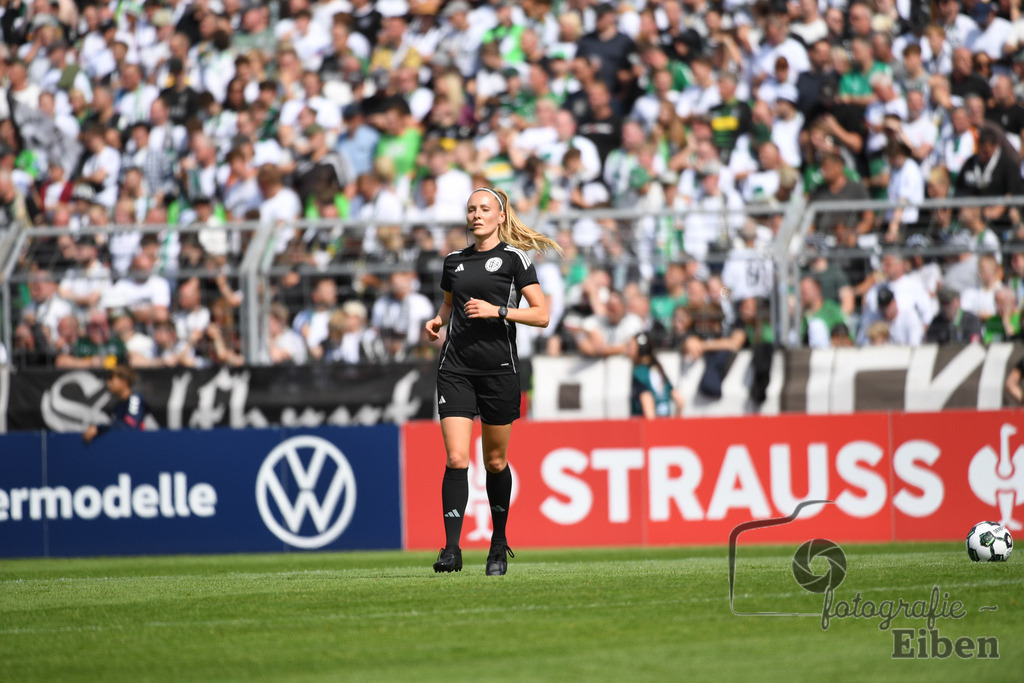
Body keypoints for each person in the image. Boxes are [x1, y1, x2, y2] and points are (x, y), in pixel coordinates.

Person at [424, 186, 560, 576]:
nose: (477, 215)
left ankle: (498, 544)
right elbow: (449, 307)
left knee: (496, 461)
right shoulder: (453, 261)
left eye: (485, 209)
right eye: (471, 209)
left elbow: (541, 315)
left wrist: (498, 311)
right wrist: (437, 322)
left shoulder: (515, 260)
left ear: (501, 216)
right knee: (455, 458)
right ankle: (451, 549)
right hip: (456, 370)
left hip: (500, 371)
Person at [82, 365, 150, 444]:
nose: (108, 383)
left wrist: (99, 429)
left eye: (112, 379)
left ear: (124, 382)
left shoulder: (135, 398)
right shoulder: (119, 405)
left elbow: (130, 425)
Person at [630, 333, 683, 419]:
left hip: (649, 427)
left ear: (640, 349)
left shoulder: (639, 373)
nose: (627, 350)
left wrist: (653, 428)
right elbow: (680, 401)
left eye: (630, 346)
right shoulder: (658, 369)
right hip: (665, 424)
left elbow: (647, 404)